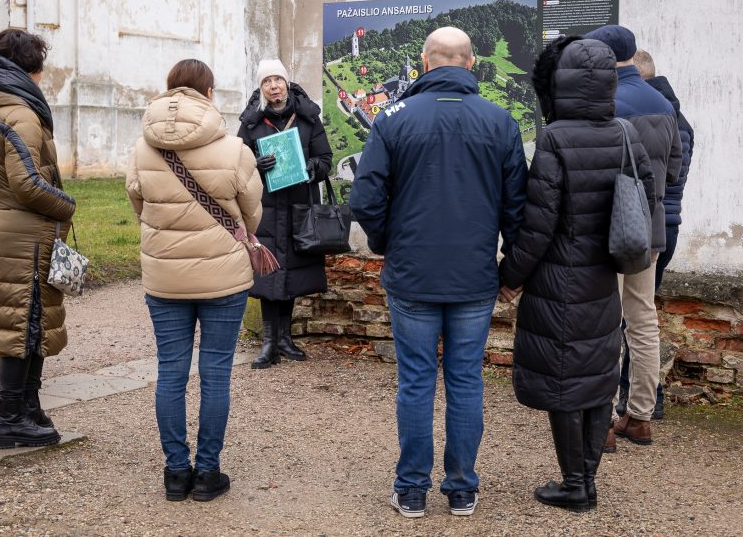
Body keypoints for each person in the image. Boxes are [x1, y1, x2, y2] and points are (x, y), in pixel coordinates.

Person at [350, 27, 528, 519]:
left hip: (413, 273)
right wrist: (510, 268)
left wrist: (388, 243)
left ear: (426, 64)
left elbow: (365, 198)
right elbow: (518, 209)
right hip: (473, 275)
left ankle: (411, 490)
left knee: (415, 381)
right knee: (466, 380)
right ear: (470, 65)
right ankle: (461, 489)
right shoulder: (500, 122)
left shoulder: (393, 118)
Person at [499, 37, 656, 512]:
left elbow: (539, 221)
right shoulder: (625, 133)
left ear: (560, 84)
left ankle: (574, 485)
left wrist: (511, 272)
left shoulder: (555, 137)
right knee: (595, 377)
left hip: (558, 279)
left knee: (565, 383)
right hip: (604, 276)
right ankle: (586, 479)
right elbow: (647, 199)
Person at [126, 59, 263, 502]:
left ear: (168, 91)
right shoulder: (235, 149)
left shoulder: (142, 149)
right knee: (215, 372)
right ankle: (207, 474)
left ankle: (174, 473)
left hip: (164, 277)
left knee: (170, 372)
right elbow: (251, 212)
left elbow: (138, 204)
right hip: (224, 276)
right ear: (208, 94)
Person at [0, 29, 76, 449]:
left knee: (29, 323)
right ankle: (11, 419)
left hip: (1, 229)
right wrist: (67, 205)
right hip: (23, 236)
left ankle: (28, 408)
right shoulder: (21, 114)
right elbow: (27, 183)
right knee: (22, 326)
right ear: (30, 67)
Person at [584, 25, 682, 448]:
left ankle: (602, 422)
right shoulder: (661, 102)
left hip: (609, 230)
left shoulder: (605, 103)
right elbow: (673, 170)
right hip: (650, 229)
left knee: (605, 323)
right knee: (642, 320)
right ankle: (639, 416)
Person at [237, 60, 333, 368]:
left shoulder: (307, 118)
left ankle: (285, 338)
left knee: (291, 270)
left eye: (278, 79)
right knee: (268, 272)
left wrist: (311, 168)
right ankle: (268, 342)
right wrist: (255, 162)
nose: (274, 85)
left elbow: (325, 158)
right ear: (262, 88)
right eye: (267, 81)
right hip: (265, 207)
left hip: (298, 205)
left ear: (287, 83)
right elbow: (237, 160)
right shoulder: (252, 122)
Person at [617, 50, 696, 420]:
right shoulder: (673, 115)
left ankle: (613, 409)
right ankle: (644, 407)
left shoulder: (630, 109)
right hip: (661, 226)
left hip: (629, 225)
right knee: (643, 316)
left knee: (614, 319)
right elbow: (673, 174)